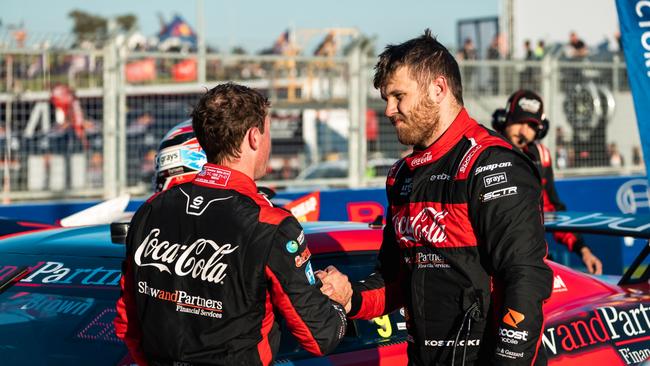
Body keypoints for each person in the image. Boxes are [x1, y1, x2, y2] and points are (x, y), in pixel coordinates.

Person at [319, 30, 553, 365]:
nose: (389, 110)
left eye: (398, 96)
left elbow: (525, 279)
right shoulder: (403, 175)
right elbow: (395, 279)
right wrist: (350, 297)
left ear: (438, 89)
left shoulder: (492, 163)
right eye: (386, 98)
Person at [114, 83, 347, 365]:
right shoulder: (270, 223)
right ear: (253, 137)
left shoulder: (151, 210)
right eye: (267, 132)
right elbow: (320, 335)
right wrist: (338, 301)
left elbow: (129, 321)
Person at [492, 90, 603, 275]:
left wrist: (583, 250)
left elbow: (552, 208)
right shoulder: (484, 150)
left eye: (531, 126)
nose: (523, 132)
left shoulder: (541, 157)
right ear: (504, 119)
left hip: (528, 258)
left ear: (541, 130)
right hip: (491, 259)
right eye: (519, 121)